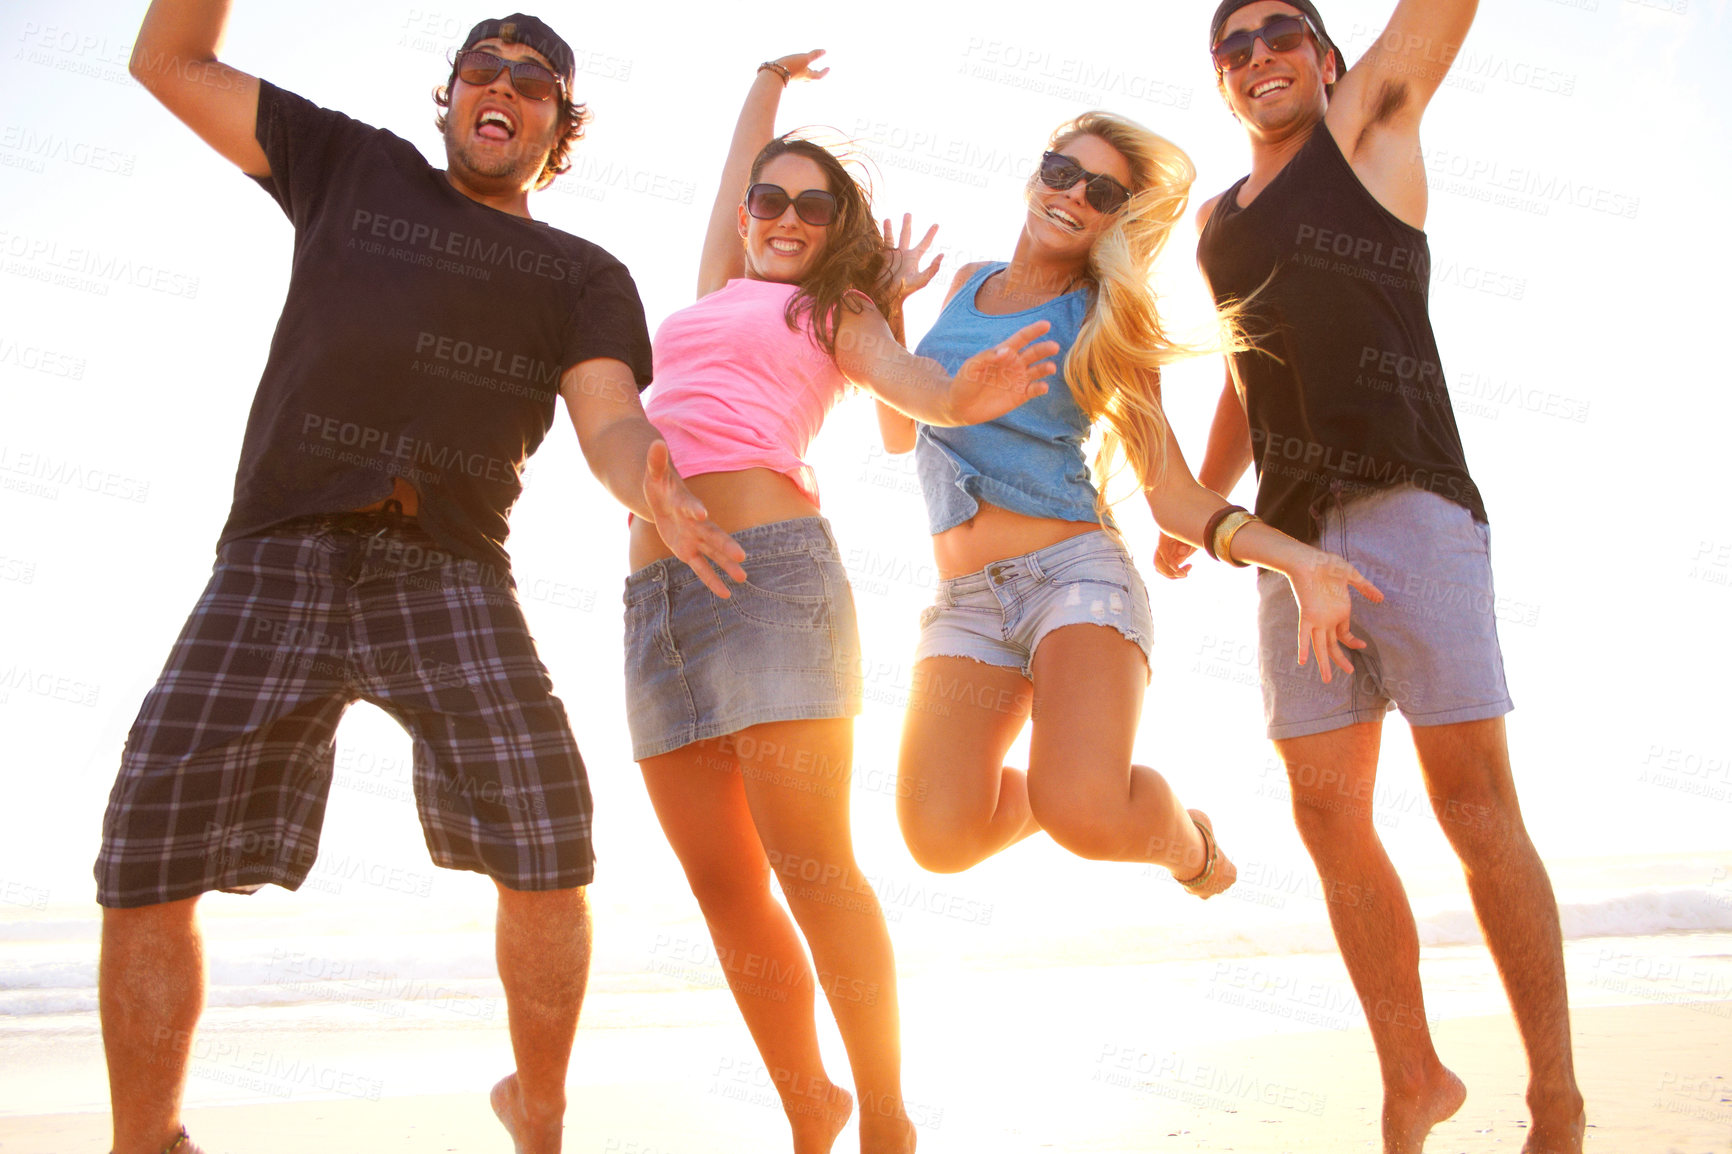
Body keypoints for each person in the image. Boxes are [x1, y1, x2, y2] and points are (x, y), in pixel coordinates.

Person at [99, 8, 743, 1154]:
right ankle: (145, 1141)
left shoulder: (582, 272)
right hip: (277, 550)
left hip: (447, 571)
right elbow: (168, 61)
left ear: (559, 126)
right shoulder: (349, 164)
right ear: (449, 95)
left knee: (551, 834)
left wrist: (650, 483)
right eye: (483, 69)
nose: (505, 86)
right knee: (147, 837)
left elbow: (607, 420)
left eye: (535, 81)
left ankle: (536, 1113)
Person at [1160, 2, 1586, 1151]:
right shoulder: (1215, 221)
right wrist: (1199, 508)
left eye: (1281, 33)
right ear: (1219, 78)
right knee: (1322, 808)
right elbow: (1247, 367)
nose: (1258, 56)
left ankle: (1555, 1095)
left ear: (1329, 57)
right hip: (1291, 546)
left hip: (1413, 509)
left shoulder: (1366, 137)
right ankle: (1413, 1074)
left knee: (1471, 802)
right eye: (1232, 46)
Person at [624, 50, 1056, 1154]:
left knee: (812, 866)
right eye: (770, 198)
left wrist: (969, 387)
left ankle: (886, 1115)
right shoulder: (719, 282)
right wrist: (765, 86)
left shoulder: (839, 309)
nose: (781, 215)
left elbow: (911, 399)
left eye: (811, 207)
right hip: (654, 594)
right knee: (723, 886)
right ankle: (809, 1105)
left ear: (832, 232)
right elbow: (731, 181)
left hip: (771, 579)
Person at [884, 110, 1380, 906]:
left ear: (1118, 219)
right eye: (1061, 171)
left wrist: (1298, 559)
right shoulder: (965, 283)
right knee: (940, 839)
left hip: (1072, 581)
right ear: (1034, 175)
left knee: (1083, 812)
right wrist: (891, 307)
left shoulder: (1107, 316)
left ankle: (1189, 843)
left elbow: (1173, 493)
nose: (1072, 194)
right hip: (965, 602)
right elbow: (899, 427)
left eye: (1102, 190)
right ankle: (1064, 789)